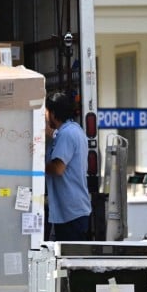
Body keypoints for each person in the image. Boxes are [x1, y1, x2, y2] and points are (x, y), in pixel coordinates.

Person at [44, 91, 92, 242]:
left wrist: (34, 167)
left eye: (45, 111)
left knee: (70, 260)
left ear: (52, 113)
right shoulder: (72, 130)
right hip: (72, 210)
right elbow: (58, 137)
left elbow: (58, 168)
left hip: (71, 213)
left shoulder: (67, 134)